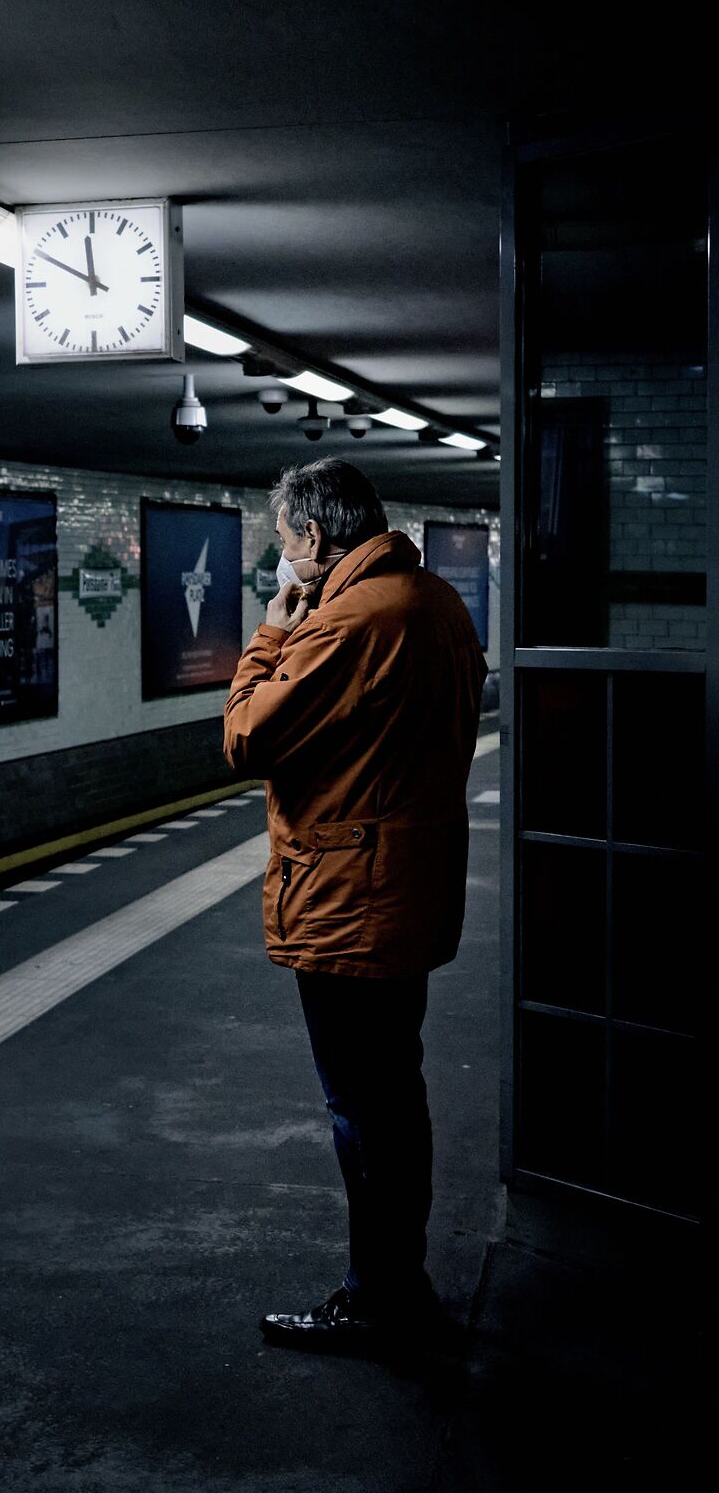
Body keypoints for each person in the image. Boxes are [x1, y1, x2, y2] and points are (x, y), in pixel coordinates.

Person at [223, 460, 487, 1355]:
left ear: (315, 536)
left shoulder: (353, 621)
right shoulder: (435, 603)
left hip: (349, 898)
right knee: (393, 1096)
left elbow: (246, 736)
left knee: (364, 1109)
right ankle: (394, 1283)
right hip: (406, 888)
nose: (284, 559)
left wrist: (267, 636)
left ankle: (382, 1298)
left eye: (285, 542)